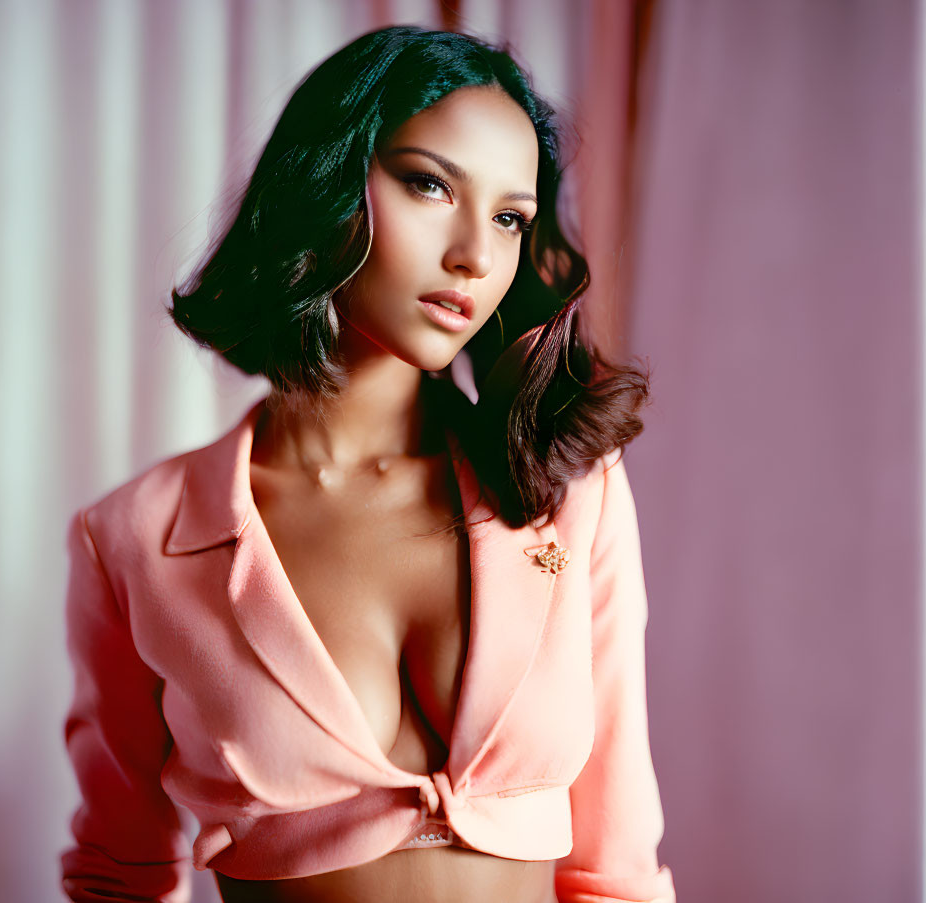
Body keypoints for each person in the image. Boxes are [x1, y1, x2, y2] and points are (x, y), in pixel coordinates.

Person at [59, 24, 675, 903]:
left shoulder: (568, 494)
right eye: (430, 184)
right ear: (328, 178)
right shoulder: (136, 539)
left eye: (509, 218)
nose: (474, 254)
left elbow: (615, 873)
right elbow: (120, 878)